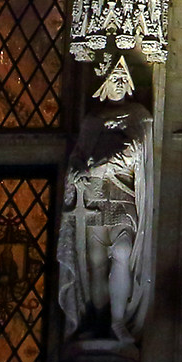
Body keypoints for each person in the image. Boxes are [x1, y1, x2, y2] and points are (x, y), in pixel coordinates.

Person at [60, 61, 151, 342]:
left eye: (124, 77)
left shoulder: (138, 116)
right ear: (105, 84)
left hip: (124, 197)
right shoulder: (93, 119)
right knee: (97, 263)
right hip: (94, 198)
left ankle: (118, 320)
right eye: (116, 77)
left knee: (122, 252)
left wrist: (105, 162)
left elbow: (138, 153)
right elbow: (79, 154)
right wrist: (76, 171)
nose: (120, 82)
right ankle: (99, 320)